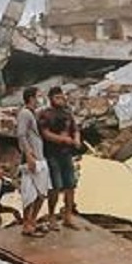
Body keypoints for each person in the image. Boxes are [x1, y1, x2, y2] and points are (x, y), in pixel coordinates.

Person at [39, 86, 81, 231]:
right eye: (57, 97)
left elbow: (75, 129)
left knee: (70, 185)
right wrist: (62, 139)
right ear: (51, 99)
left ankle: (68, 216)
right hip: (52, 154)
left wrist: (76, 139)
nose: (61, 100)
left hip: (66, 154)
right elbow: (45, 133)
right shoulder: (46, 114)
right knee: (55, 186)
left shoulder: (68, 114)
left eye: (62, 97)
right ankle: (52, 216)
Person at [16, 86, 51, 237]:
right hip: (32, 158)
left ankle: (32, 221)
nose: (40, 99)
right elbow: (21, 135)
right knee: (30, 193)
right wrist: (29, 155)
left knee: (41, 192)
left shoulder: (33, 114)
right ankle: (27, 224)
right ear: (31, 98)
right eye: (38, 96)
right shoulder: (25, 113)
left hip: (39, 156)